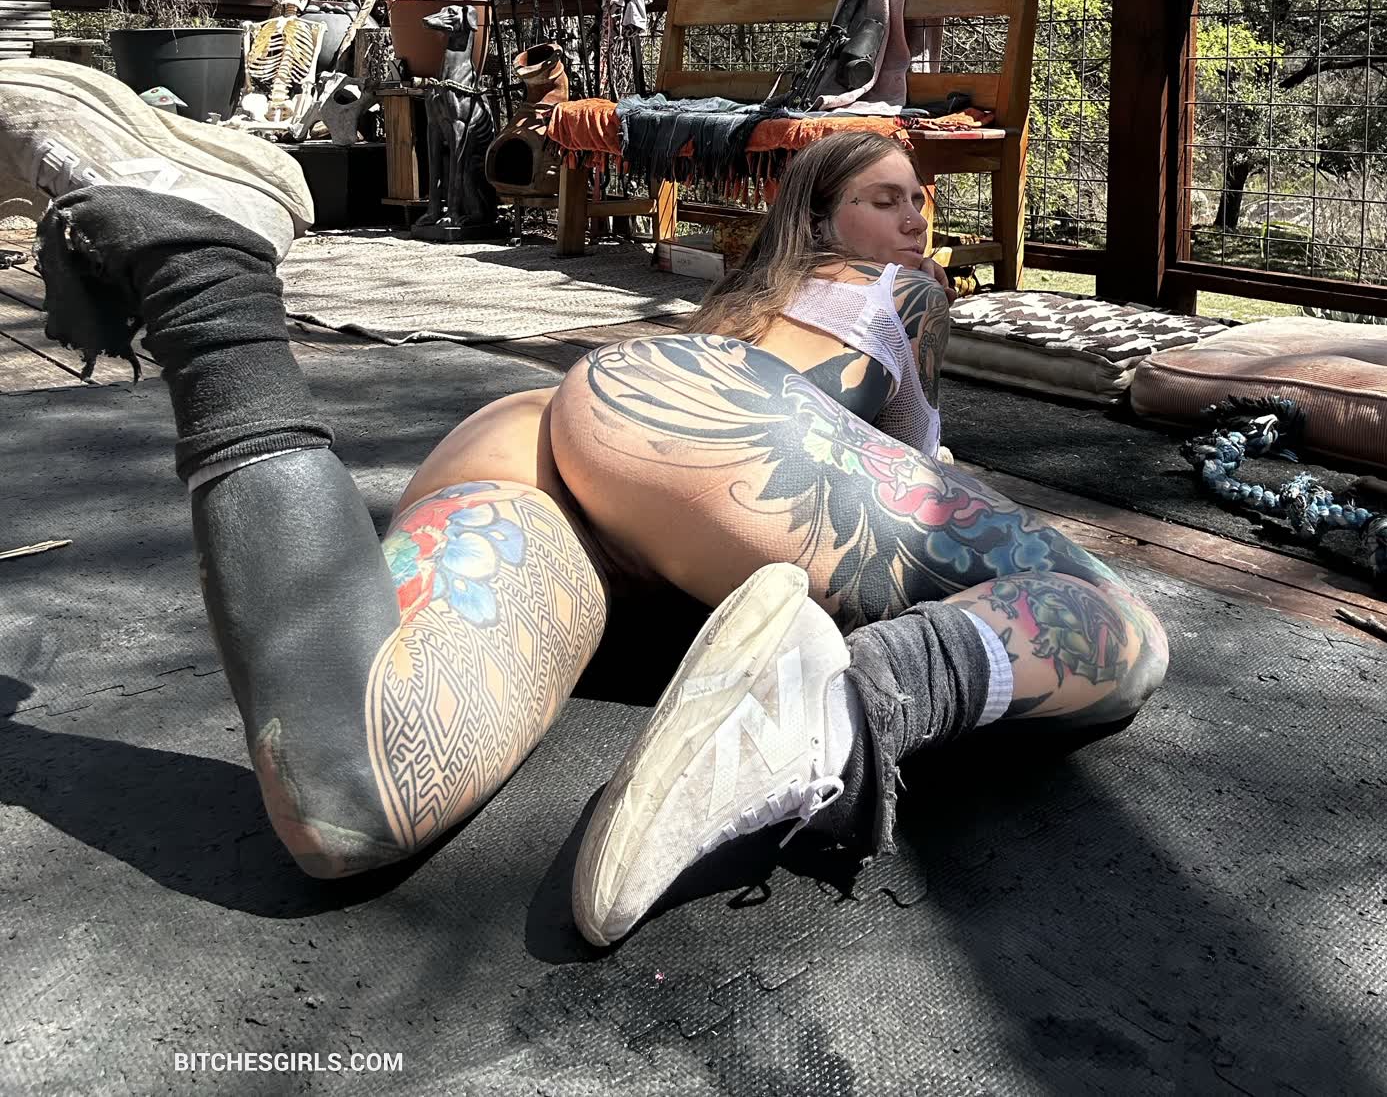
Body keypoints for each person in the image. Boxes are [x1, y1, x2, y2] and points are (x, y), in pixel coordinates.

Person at [0, 60, 1168, 947]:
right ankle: (838, 707)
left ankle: (203, 279)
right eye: (886, 198)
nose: (914, 222)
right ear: (820, 223)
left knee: (355, 794)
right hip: (687, 440)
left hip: (545, 460)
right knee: (1106, 613)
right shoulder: (888, 292)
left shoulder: (738, 297)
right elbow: (836, 417)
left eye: (919, 203)